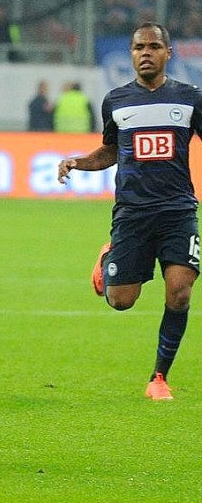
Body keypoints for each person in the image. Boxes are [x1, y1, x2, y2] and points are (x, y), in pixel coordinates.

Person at [57, 22, 202, 401]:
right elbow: (109, 151)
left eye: (154, 46)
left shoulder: (190, 98)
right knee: (122, 300)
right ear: (132, 53)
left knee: (180, 293)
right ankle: (109, 258)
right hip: (133, 214)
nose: (146, 53)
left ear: (168, 53)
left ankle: (159, 378)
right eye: (139, 47)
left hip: (178, 210)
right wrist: (78, 161)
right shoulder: (117, 101)